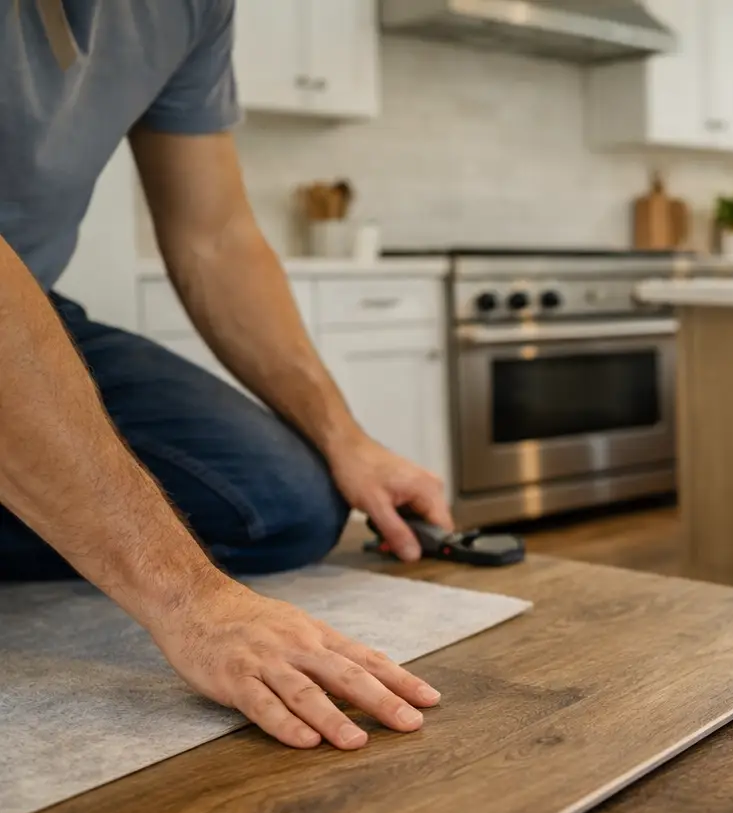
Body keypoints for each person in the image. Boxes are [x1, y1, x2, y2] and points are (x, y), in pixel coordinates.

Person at [1, 0, 452, 751]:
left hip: (32, 301)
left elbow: (214, 235)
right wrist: (186, 595)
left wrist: (346, 438)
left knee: (286, 503)